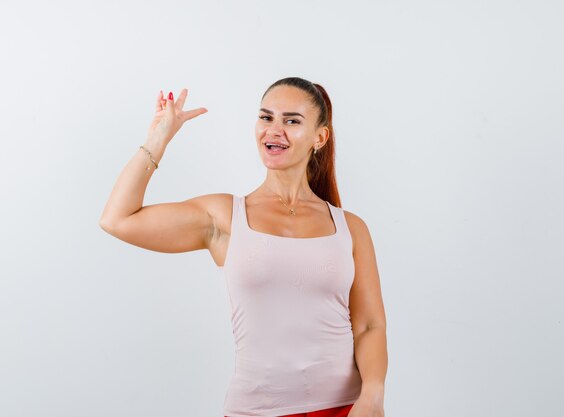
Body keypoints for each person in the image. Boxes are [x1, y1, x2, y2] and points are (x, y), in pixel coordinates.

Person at [99, 77, 387, 417]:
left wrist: (371, 398)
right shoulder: (225, 217)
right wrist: (158, 137)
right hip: (255, 410)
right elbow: (118, 219)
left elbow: (369, 325)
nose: (274, 130)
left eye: (292, 121)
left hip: (343, 409)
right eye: (266, 118)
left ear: (319, 137)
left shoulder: (350, 228)